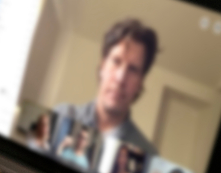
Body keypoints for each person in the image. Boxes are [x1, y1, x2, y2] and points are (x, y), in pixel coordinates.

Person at [52, 19, 159, 158]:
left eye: (132, 69)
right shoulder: (61, 116)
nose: (121, 78)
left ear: (140, 82)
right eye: (116, 61)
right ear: (102, 65)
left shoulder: (148, 155)